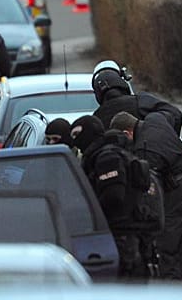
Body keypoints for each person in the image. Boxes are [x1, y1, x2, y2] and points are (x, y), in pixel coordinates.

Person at [110, 110, 182, 280]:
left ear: (127, 132)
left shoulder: (145, 150)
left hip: (177, 193)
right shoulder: (156, 119)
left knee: (167, 249)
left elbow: (150, 188)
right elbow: (174, 115)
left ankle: (172, 291)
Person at [70, 115, 160, 282]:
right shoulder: (104, 155)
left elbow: (113, 197)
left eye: (78, 136)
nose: (77, 143)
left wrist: (91, 216)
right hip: (127, 237)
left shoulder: (107, 158)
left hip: (121, 237)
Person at [91, 62, 182, 136]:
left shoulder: (96, 120)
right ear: (121, 83)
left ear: (97, 93)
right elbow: (175, 115)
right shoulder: (141, 102)